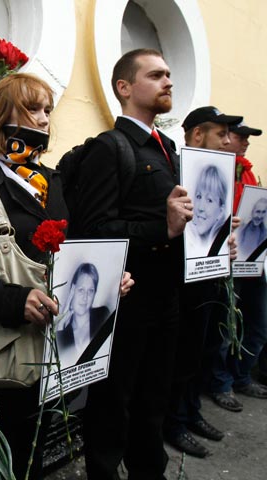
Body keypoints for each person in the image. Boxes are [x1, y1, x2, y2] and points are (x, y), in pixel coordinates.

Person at [0, 72, 133, 480]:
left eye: (48, 109)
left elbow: (72, 249)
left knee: (33, 450)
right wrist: (18, 301)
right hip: (0, 356)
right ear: (0, 115)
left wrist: (106, 279)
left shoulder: (49, 179)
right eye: (33, 108)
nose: (45, 119)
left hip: (52, 348)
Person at [72, 48, 192, 479]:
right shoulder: (110, 148)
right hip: (125, 300)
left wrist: (213, 235)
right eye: (156, 75)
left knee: (154, 400)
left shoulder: (168, 148)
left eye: (169, 74)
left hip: (166, 297)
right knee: (112, 403)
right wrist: (163, 229)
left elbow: (177, 219)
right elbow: (93, 229)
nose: (168, 81)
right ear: (124, 87)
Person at [163, 105, 240, 459]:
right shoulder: (175, 171)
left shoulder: (216, 173)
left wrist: (226, 239)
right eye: (221, 134)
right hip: (180, 283)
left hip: (209, 278)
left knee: (201, 350)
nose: (228, 141)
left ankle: (191, 412)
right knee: (180, 356)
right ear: (197, 134)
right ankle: (174, 422)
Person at [209, 118, 267, 412]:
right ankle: (220, 383)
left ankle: (240, 375)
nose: (246, 142)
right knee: (226, 325)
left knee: (255, 322)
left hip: (251, 259)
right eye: (240, 136)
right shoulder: (216, 170)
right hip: (228, 259)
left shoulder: (247, 170)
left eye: (248, 137)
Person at [56, 263, 111, 366]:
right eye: (81, 290)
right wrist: (60, 325)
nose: (85, 297)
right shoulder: (63, 334)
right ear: (72, 291)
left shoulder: (103, 315)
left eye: (90, 291)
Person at [184, 164, 229, 257]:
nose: (200, 207)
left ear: (221, 212)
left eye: (209, 200)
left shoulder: (225, 245)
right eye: (199, 196)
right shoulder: (186, 236)